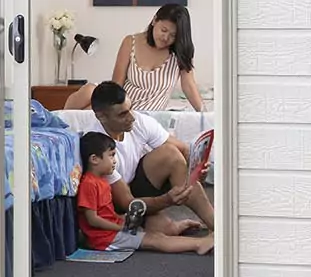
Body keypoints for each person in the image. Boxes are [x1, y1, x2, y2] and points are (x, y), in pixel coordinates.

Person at [63, 80, 215, 232]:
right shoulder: (97, 146)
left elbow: (184, 150)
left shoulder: (139, 121)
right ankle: (175, 226)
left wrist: (196, 169)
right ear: (101, 117)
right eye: (122, 114)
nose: (131, 117)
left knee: (171, 154)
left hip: (136, 184)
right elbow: (126, 202)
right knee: (165, 230)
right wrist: (167, 200)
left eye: (131, 108)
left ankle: (216, 226)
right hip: (118, 201)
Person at [76, 131, 213, 255]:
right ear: (94, 159)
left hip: (112, 229)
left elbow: (106, 213)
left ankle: (186, 231)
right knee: (156, 240)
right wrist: (118, 227)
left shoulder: (101, 181)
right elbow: (92, 219)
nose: (114, 161)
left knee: (155, 233)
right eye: (111, 156)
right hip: (105, 239)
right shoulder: (89, 184)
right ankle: (199, 244)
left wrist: (123, 220)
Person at [65, 4, 205, 113]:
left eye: (173, 35)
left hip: (146, 117)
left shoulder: (180, 53)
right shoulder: (130, 42)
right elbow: (116, 85)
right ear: (154, 20)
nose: (165, 37)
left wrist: (206, 115)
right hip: (121, 109)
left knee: (88, 113)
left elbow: (189, 85)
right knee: (88, 91)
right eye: (163, 30)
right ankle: (61, 127)